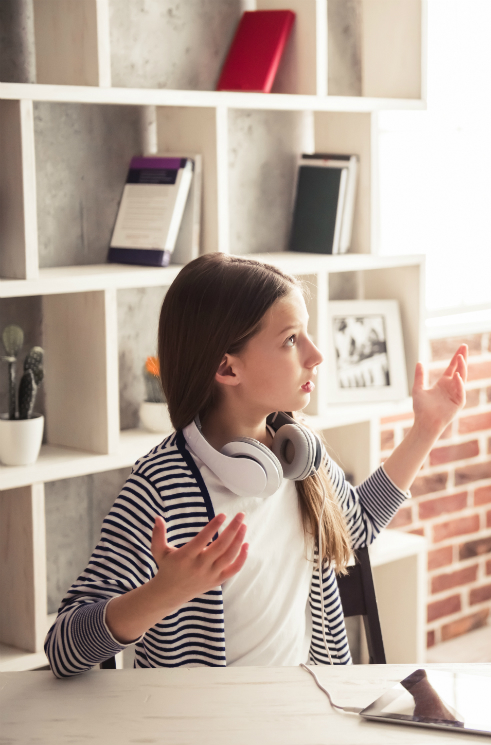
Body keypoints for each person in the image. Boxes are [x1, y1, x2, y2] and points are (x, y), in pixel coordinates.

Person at [45, 253, 467, 677]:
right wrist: (163, 593)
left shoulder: (299, 454)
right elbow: (63, 649)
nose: (316, 354)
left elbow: (355, 525)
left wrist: (426, 429)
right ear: (227, 367)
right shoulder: (159, 488)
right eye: (290, 339)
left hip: (309, 710)